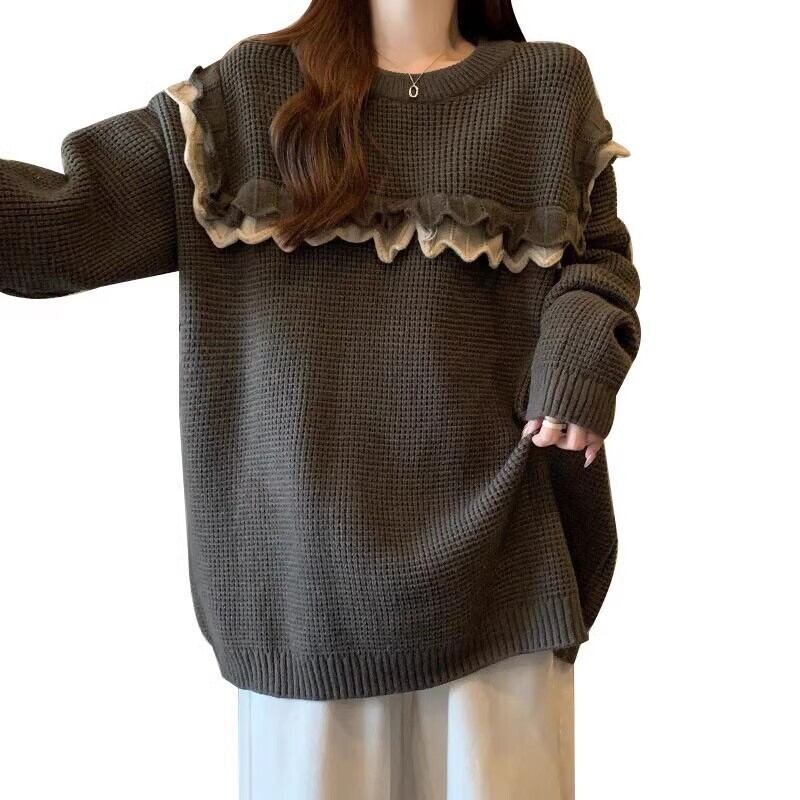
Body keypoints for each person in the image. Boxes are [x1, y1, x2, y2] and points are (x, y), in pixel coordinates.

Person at [0, 0, 641, 797]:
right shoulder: (248, 92)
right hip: (307, 592)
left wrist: (580, 359)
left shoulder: (547, 86)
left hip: (504, 574)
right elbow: (63, 221)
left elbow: (598, 262)